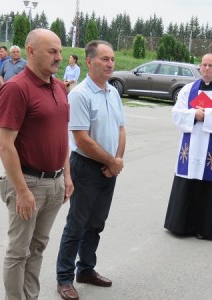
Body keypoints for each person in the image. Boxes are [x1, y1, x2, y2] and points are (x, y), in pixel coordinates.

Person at [0, 28, 73, 300]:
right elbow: (4, 144)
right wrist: (22, 191)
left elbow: (61, 134)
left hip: (54, 183)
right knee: (19, 252)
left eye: (60, 51)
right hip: (28, 183)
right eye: (52, 51)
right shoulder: (16, 89)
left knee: (38, 248)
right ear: (31, 51)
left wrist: (67, 176)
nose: (59, 57)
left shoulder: (59, 87)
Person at [56, 40, 126, 300]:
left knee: (96, 224)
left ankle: (86, 269)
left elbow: (121, 128)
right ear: (89, 62)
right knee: (77, 225)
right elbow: (82, 139)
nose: (110, 64)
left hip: (109, 168)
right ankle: (64, 277)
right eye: (104, 59)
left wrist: (116, 161)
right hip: (85, 167)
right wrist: (111, 161)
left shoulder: (113, 92)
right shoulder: (80, 94)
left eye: (112, 59)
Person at [164, 53, 212, 240]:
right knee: (186, 179)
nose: (206, 68)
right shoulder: (188, 89)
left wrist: (207, 114)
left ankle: (206, 229)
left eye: (211, 65)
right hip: (190, 144)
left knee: (208, 183)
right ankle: (181, 226)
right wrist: (193, 114)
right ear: (200, 67)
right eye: (204, 65)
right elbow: (177, 113)